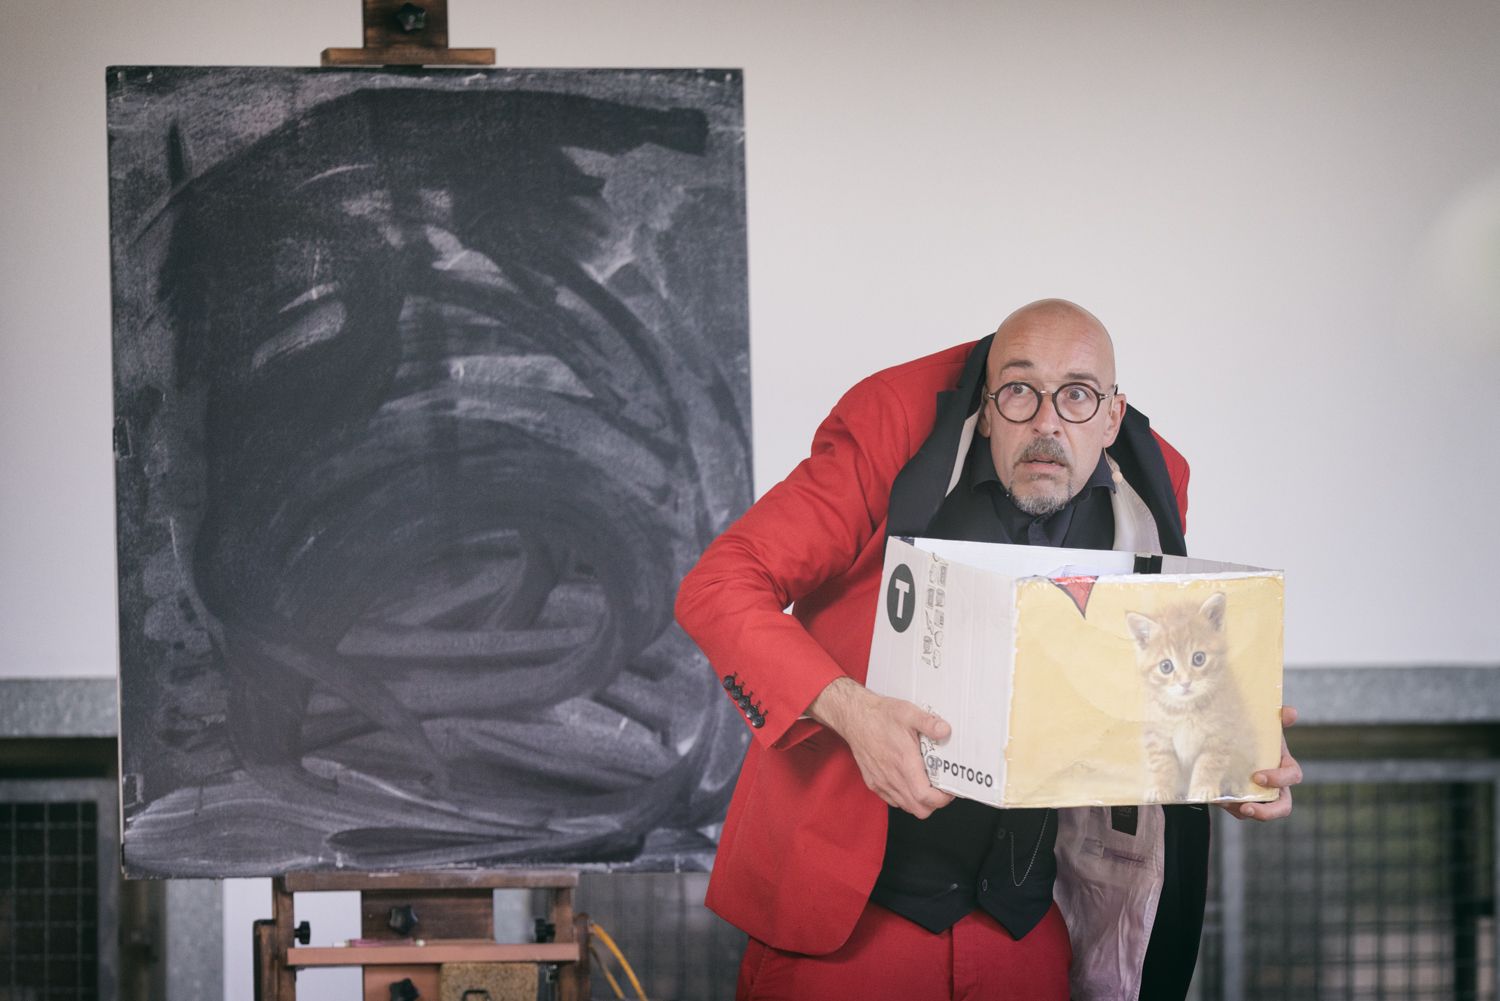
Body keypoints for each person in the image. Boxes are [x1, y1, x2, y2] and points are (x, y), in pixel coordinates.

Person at [675, 299, 1302, 1000]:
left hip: (1027, 924)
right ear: (985, 403)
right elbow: (720, 585)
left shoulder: (1155, 485)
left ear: (1111, 417)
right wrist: (852, 712)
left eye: (1076, 396)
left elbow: (1136, 680)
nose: (1047, 423)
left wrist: (1226, 755)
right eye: (1020, 391)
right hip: (849, 920)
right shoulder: (892, 419)